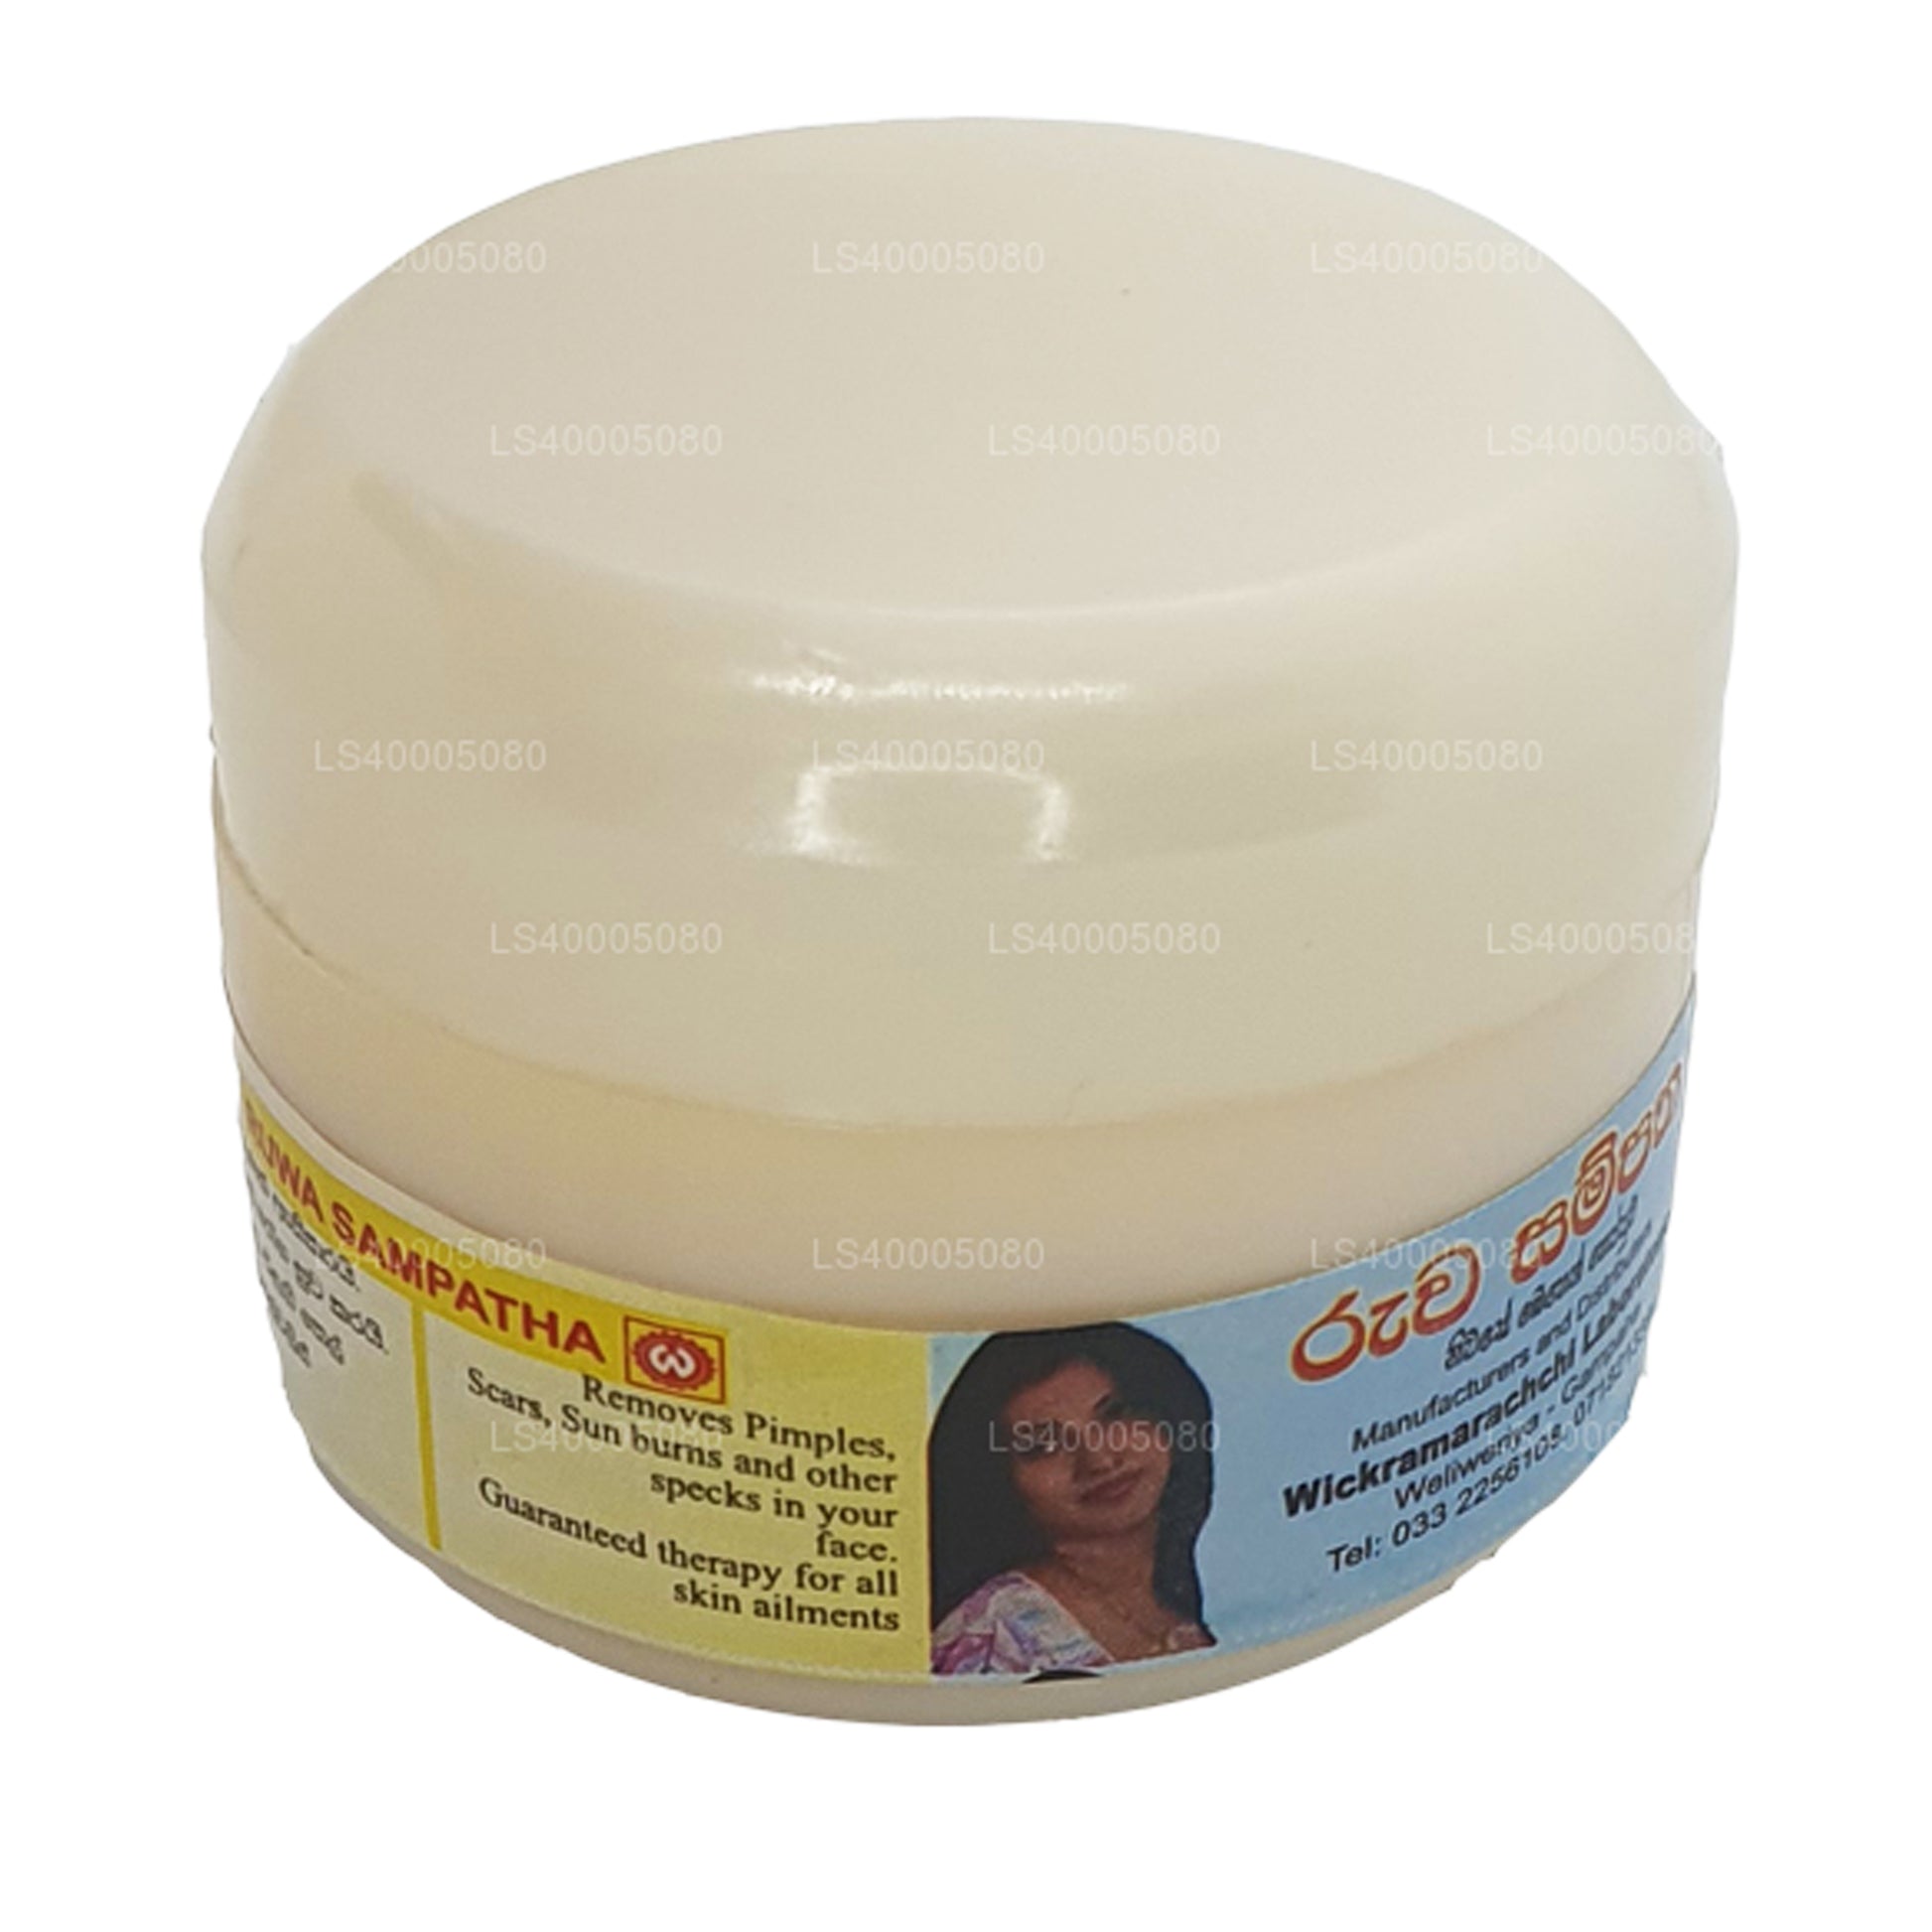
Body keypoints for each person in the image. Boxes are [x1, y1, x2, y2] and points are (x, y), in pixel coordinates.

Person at [928, 1324, 1215, 1676]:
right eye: (1045, 1446)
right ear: (999, 1479)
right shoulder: (994, 1632)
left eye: (1114, 1416)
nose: (1100, 1460)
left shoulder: (1174, 1611)